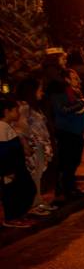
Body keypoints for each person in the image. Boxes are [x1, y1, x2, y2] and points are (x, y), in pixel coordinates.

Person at [14, 77, 56, 215]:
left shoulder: (33, 107)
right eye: (39, 89)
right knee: (35, 176)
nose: (42, 92)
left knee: (38, 176)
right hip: (33, 147)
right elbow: (20, 130)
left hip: (39, 146)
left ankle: (38, 202)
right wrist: (26, 145)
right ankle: (33, 205)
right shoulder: (24, 108)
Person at [52, 68, 84, 200]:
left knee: (74, 161)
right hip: (67, 131)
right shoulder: (61, 93)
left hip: (77, 131)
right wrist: (81, 104)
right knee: (68, 162)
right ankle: (66, 190)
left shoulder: (76, 93)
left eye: (77, 77)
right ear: (66, 79)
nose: (78, 80)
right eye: (74, 78)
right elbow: (63, 110)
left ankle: (71, 187)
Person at [1, 96, 36, 228]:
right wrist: (7, 171)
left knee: (25, 190)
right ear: (6, 111)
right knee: (14, 193)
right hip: (11, 169)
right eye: (15, 110)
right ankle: (12, 218)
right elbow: (3, 152)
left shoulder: (7, 126)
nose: (18, 113)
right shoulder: (1, 128)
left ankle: (19, 215)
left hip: (17, 167)